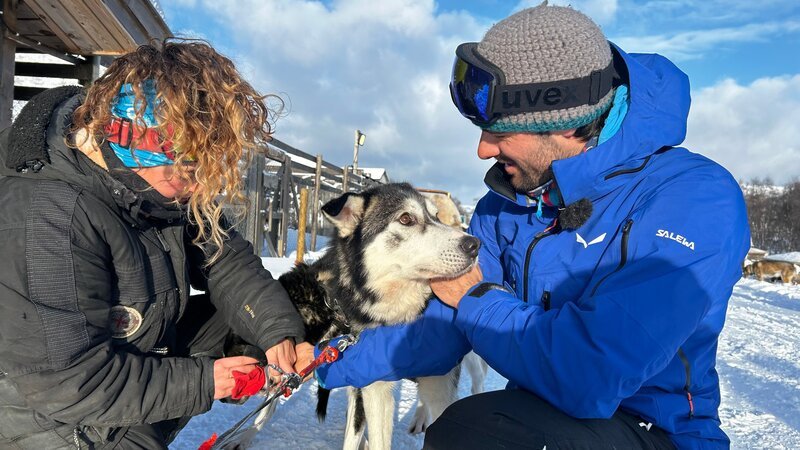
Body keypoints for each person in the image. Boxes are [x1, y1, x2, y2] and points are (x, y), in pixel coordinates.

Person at [307, 4, 750, 449]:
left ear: (564, 125)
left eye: (498, 132)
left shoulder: (694, 198)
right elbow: (436, 332)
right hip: (542, 416)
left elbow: (592, 372)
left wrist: (477, 298)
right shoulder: (505, 206)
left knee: (481, 436)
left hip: (653, 431)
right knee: (468, 429)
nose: (483, 149)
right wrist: (320, 363)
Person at [0, 39, 311, 448]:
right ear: (138, 144)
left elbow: (226, 258)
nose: (201, 187)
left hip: (131, 360)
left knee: (244, 320)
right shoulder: (50, 220)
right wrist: (206, 381)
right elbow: (70, 382)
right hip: (55, 422)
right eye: (190, 170)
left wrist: (277, 333)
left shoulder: (156, 184)